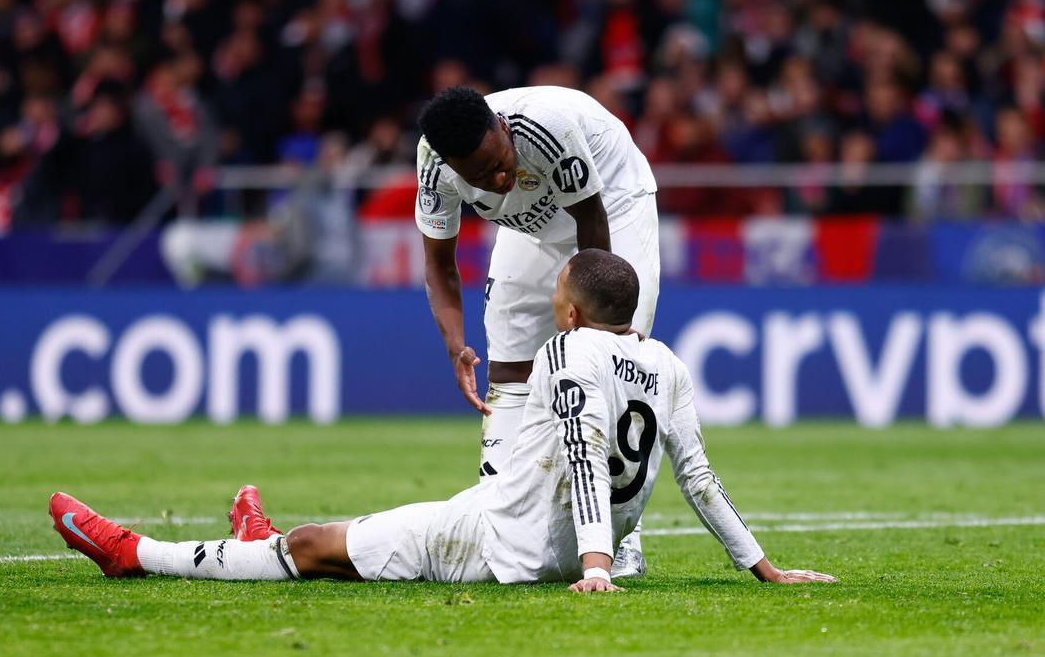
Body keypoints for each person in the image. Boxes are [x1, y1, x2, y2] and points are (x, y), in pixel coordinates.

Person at [50, 250, 835, 592]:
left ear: (568, 309)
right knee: (323, 546)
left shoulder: (567, 353)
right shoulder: (666, 363)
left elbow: (585, 451)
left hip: (500, 540)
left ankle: (136, 552)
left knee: (311, 546)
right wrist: (760, 565)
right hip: (542, 538)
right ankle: (250, 543)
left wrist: (594, 565)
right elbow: (698, 476)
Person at [414, 85, 660, 578]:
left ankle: (622, 536)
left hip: (612, 202)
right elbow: (440, 266)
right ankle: (497, 509)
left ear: (501, 128)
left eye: (499, 162)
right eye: (481, 177)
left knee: (611, 356)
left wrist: (587, 331)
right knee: (505, 357)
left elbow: (592, 225)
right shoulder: (434, 167)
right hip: (531, 223)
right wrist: (457, 346)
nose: (499, 177)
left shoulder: (548, 127)